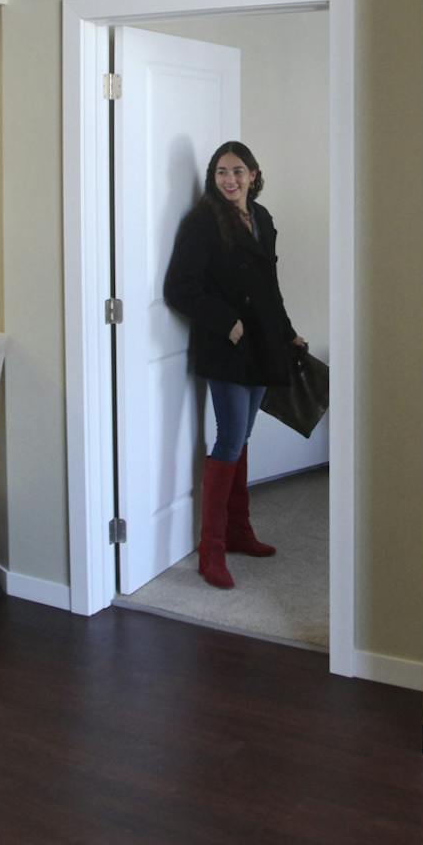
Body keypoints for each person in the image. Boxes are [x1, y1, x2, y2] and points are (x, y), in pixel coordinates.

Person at [163, 139, 306, 590]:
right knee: (229, 439)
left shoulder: (262, 219)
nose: (230, 179)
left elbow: (269, 288)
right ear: (213, 177)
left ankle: (241, 532)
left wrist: (287, 332)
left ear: (254, 175)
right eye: (222, 172)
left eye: (238, 171)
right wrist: (226, 322)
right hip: (226, 346)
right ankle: (213, 551)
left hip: (264, 343)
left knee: (243, 436)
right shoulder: (203, 222)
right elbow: (179, 288)